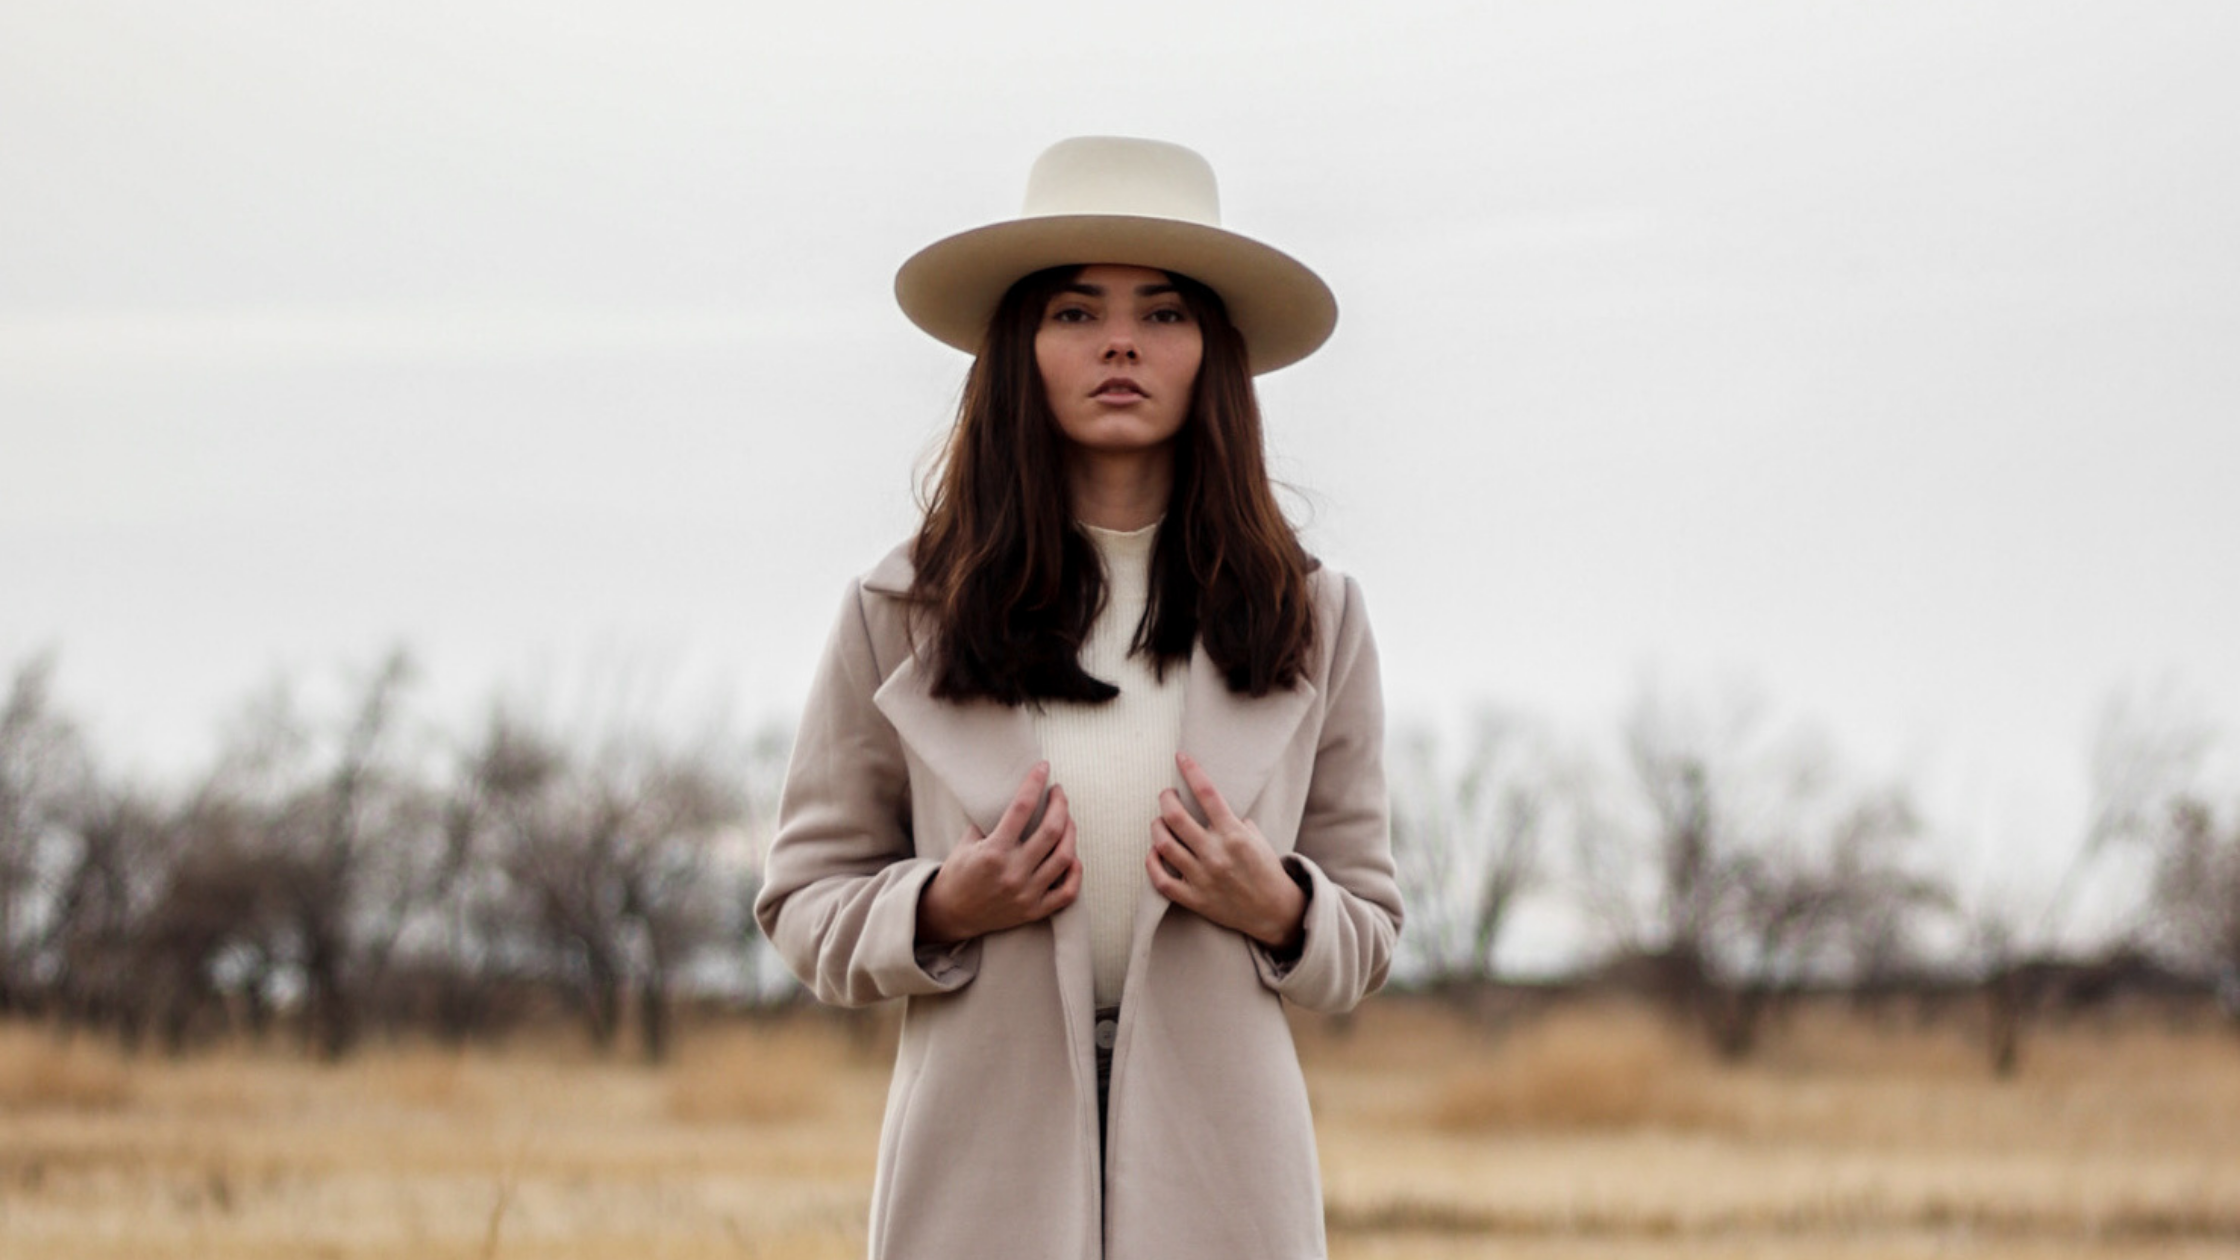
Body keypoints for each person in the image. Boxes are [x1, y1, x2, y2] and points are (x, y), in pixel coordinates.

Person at [754, 135, 1402, 1260]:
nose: (1118, 344)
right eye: (1072, 312)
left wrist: (1282, 907)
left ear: (1212, 352)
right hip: (975, 1174)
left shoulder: (1313, 614)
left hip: (1224, 1183)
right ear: (1019, 347)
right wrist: (944, 905)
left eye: (1161, 313)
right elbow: (802, 903)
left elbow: (1371, 929)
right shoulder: (900, 607)